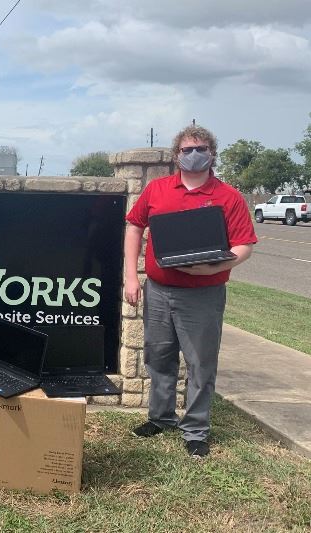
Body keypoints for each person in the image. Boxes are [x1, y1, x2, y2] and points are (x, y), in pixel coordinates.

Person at [124, 125, 257, 457]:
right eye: (186, 150)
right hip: (158, 290)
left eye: (200, 148)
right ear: (176, 155)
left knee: (200, 364)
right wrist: (131, 276)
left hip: (203, 296)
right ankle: (160, 417)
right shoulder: (157, 190)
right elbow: (135, 226)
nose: (193, 154)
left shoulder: (228, 197)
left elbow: (244, 245)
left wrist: (217, 267)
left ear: (211, 153)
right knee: (158, 357)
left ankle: (196, 429)